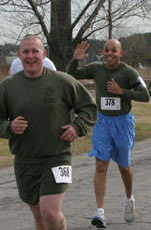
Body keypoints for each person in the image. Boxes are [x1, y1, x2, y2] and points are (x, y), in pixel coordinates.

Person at [0, 35, 97, 230]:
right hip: (25, 159)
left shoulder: (62, 81)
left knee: (50, 213)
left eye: (35, 51)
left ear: (43, 54)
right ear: (19, 55)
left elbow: (89, 107)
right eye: (26, 52)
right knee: (39, 217)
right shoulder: (8, 86)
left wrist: (77, 127)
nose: (30, 56)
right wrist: (9, 128)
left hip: (57, 157)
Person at [67, 39, 150, 228]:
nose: (109, 53)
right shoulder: (97, 68)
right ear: (102, 53)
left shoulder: (129, 72)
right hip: (103, 122)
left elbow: (145, 96)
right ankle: (100, 211)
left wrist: (122, 91)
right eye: (106, 50)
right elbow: (70, 75)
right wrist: (76, 59)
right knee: (100, 165)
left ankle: (129, 199)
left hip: (123, 123)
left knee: (124, 166)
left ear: (121, 53)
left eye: (113, 50)